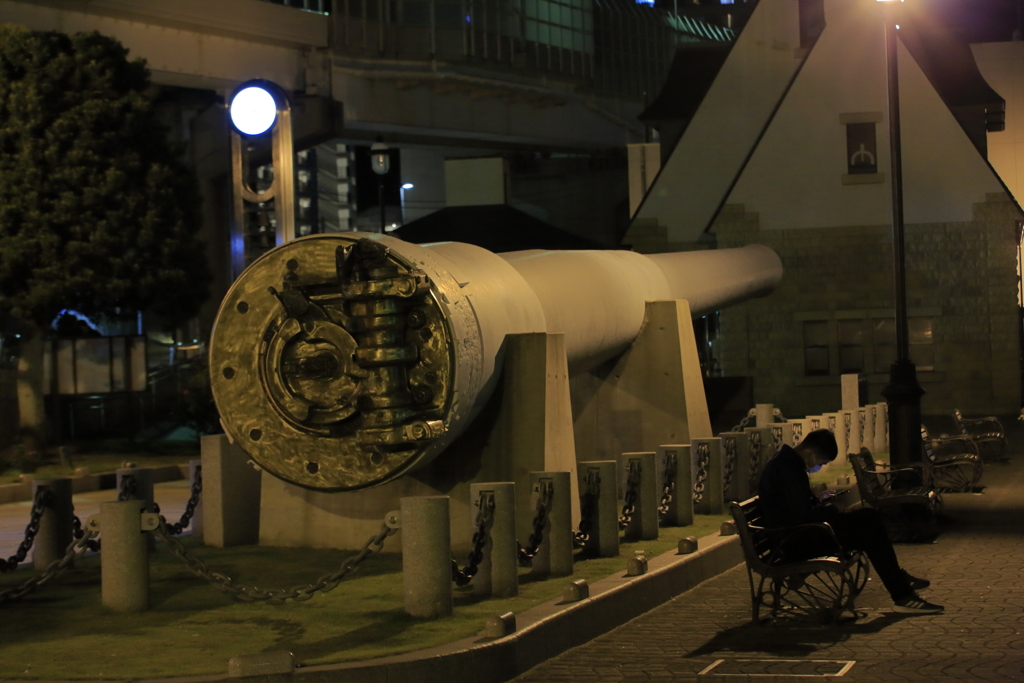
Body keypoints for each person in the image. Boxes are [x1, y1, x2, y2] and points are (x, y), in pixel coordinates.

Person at [758, 429, 943, 615]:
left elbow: (797, 508)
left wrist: (820, 502)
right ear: (810, 452)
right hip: (797, 541)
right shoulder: (787, 469)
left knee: (868, 518)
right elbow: (803, 516)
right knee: (869, 524)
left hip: (800, 534)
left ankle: (900, 585)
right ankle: (901, 591)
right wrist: (831, 509)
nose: (818, 467)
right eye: (821, 462)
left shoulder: (786, 464)